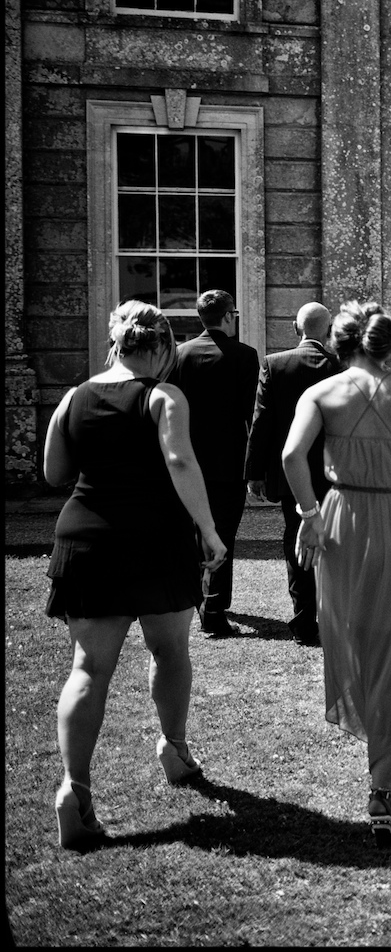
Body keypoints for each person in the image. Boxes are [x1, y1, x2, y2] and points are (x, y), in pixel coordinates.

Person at [44, 300, 229, 850]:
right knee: (169, 650)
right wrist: (211, 531)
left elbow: (55, 473)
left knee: (88, 667)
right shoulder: (164, 396)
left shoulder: (74, 397)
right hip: (155, 541)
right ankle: (173, 748)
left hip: (86, 537)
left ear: (115, 345)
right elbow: (180, 462)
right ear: (163, 349)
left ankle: (73, 789)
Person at [282, 301, 391, 845]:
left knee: (353, 637)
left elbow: (292, 455)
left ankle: (385, 755)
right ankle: (381, 788)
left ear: (342, 343)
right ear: (390, 344)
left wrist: (308, 517)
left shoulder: (321, 392)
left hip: (339, 522)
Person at [244, 302, 340, 646]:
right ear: (328, 331)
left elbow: (262, 420)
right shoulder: (340, 365)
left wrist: (254, 472)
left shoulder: (275, 364)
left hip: (290, 470)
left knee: (296, 541)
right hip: (335, 470)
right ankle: (335, 615)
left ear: (294, 327)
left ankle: (303, 620)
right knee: (337, 542)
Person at [171, 289, 260, 636]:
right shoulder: (244, 356)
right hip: (228, 462)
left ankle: (199, 601)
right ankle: (214, 610)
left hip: (187, 458)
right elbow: (252, 415)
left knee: (193, 533)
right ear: (227, 316)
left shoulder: (180, 355)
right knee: (222, 534)